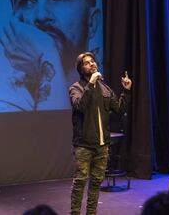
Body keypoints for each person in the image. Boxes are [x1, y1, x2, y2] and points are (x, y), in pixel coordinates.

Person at [0, 0, 101, 110]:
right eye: (26, 2)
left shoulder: (101, 87)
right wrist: (47, 57)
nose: (41, 16)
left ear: (92, 22)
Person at [69, 52, 132, 215]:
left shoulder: (105, 89)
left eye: (93, 61)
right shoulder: (75, 88)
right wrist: (91, 83)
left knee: (96, 183)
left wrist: (126, 91)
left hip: (102, 146)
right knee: (80, 183)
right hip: (84, 145)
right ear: (80, 68)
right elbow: (80, 106)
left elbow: (119, 109)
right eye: (86, 63)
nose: (91, 64)